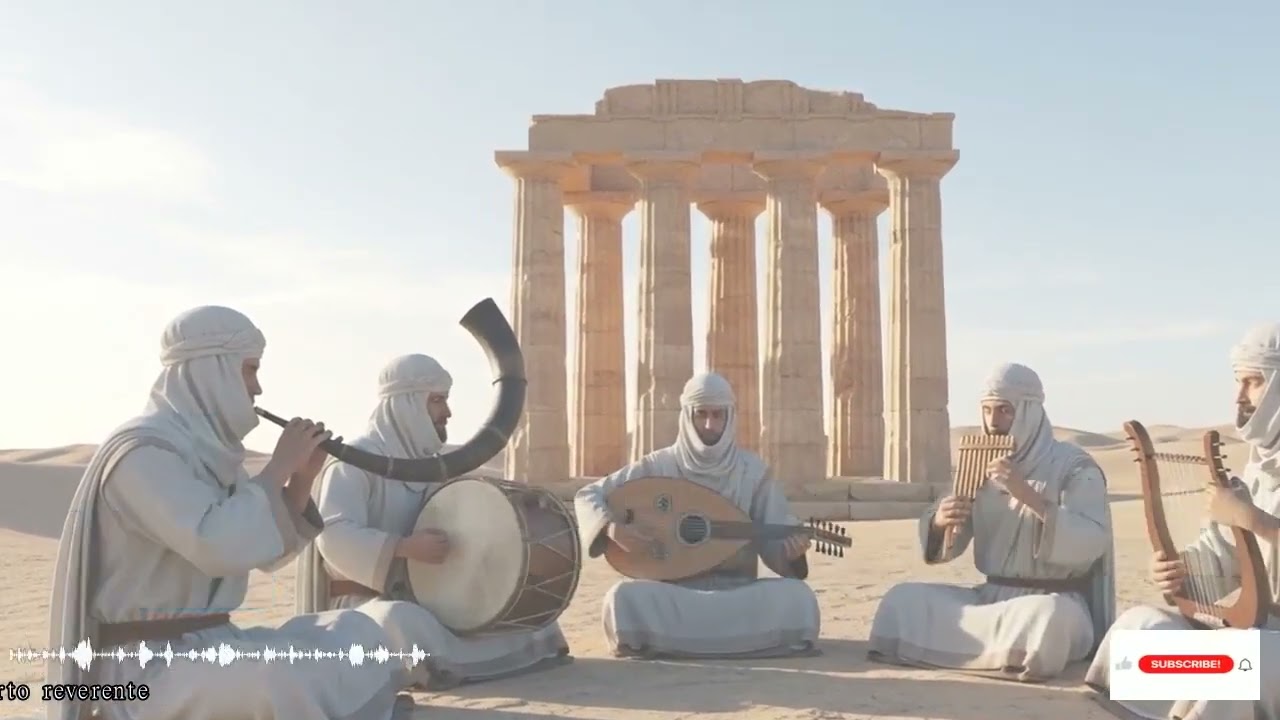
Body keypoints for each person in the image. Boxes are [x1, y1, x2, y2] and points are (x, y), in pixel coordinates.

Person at [46, 306, 408, 720]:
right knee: (273, 679)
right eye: (249, 370)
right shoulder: (142, 453)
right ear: (210, 370)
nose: (256, 389)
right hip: (146, 669)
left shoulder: (213, 455)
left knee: (359, 633)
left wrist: (300, 482)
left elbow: (263, 553)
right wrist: (275, 470)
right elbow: (217, 545)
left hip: (215, 644)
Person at [296, 353, 570, 689]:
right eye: (438, 400)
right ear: (406, 404)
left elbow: (468, 506)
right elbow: (333, 535)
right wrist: (403, 548)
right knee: (403, 621)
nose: (448, 412)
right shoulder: (354, 461)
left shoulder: (433, 464)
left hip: (433, 598)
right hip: (368, 600)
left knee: (534, 622)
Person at [867, 362, 1115, 682]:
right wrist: (941, 523)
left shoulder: (1074, 466)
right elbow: (949, 547)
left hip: (1054, 600)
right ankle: (998, 654)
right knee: (903, 599)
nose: (993, 422)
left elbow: (1092, 541)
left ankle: (1007, 653)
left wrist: (1029, 496)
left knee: (1045, 619)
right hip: (991, 599)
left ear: (1029, 413)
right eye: (986, 411)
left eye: (1004, 411)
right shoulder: (980, 466)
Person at [1086, 322, 1280, 720]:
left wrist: (1256, 520)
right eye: (1237, 382)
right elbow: (1227, 553)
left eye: (1254, 382)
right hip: (1255, 632)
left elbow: (1253, 527)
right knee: (1140, 627)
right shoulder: (1261, 465)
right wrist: (1183, 570)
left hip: (1264, 646)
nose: (1239, 397)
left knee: (1245, 658)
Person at [573, 371, 821, 659]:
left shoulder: (752, 472)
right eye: (701, 414)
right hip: (674, 593)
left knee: (798, 598)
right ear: (687, 416)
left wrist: (791, 553)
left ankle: (671, 641)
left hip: (737, 592)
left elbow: (773, 539)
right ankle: (743, 641)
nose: (709, 424)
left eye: (718, 415)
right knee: (622, 600)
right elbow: (587, 495)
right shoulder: (658, 465)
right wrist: (609, 527)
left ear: (730, 417)